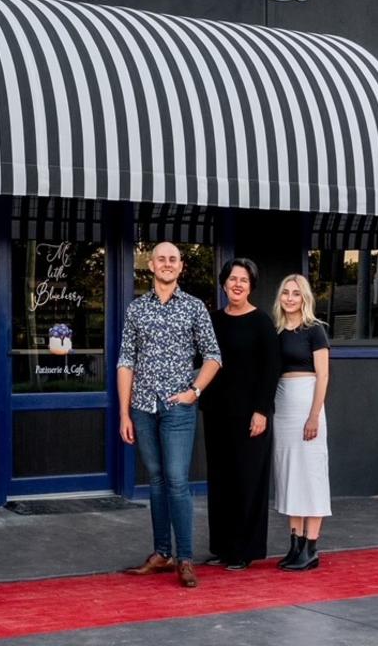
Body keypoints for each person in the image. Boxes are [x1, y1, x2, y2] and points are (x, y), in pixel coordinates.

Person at [117, 242, 222, 588]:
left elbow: (213, 356)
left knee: (177, 481)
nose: (166, 264)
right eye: (161, 258)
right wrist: (124, 413)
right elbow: (126, 362)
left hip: (179, 407)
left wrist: (195, 391)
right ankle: (162, 553)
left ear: (181, 267)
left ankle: (186, 558)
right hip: (143, 407)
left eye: (173, 259)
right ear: (151, 265)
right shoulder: (136, 310)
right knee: (158, 480)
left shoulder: (194, 308)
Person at [200, 258, 281, 571]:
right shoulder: (213, 320)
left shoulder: (261, 323)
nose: (236, 284)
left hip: (251, 416)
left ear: (251, 286)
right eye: (232, 279)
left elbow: (270, 370)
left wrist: (262, 410)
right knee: (220, 481)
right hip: (217, 413)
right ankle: (222, 547)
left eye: (243, 280)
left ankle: (244, 551)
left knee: (247, 481)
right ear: (223, 283)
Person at [271, 274, 331, 571]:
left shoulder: (315, 330)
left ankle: (311, 547)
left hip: (307, 403)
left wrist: (313, 415)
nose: (290, 298)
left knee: (311, 475)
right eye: (286, 293)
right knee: (290, 473)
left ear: (305, 298)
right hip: (282, 407)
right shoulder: (278, 331)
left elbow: (324, 375)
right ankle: (294, 545)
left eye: (296, 293)